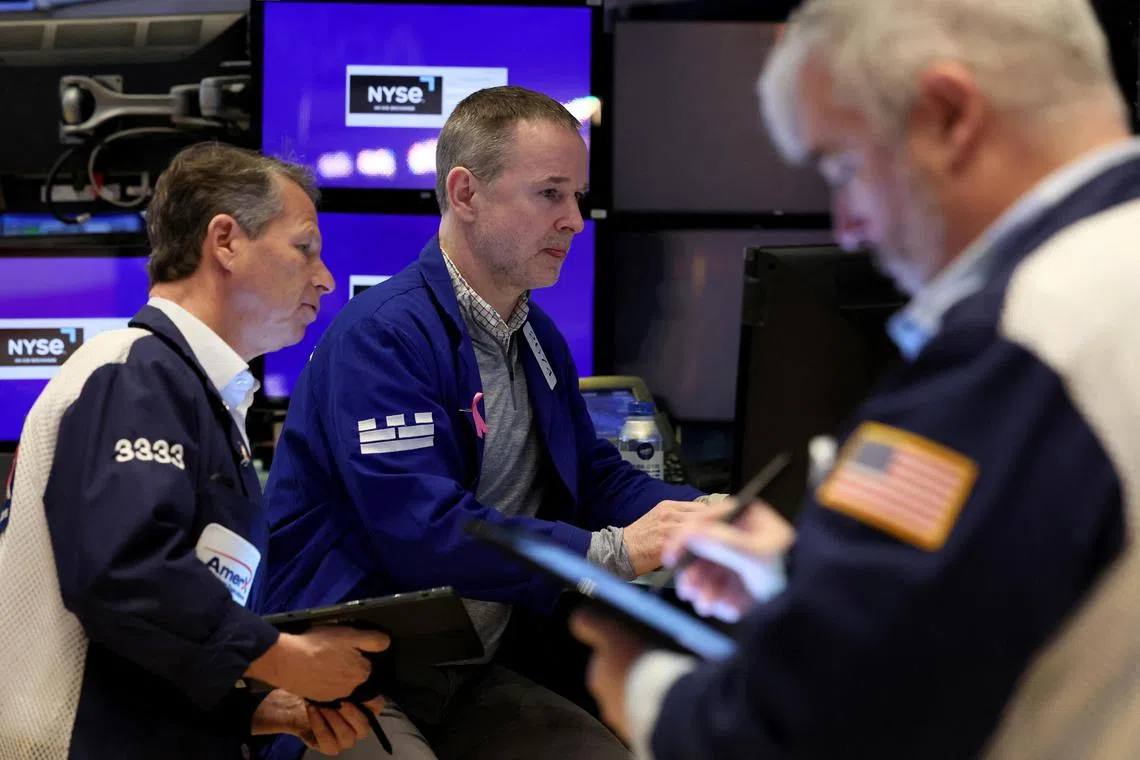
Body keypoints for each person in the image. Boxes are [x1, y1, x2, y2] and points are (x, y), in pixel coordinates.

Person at [570, 0, 1140, 757]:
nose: (846, 226)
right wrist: (807, 577)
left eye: (842, 167)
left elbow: (814, 723)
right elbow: (1020, 588)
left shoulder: (1025, 341)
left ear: (945, 115)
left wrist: (645, 691)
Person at [260, 85, 727, 760]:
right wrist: (615, 552)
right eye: (550, 194)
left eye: (578, 197)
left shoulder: (534, 334)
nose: (574, 220)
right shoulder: (383, 339)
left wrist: (704, 514)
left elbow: (589, 476)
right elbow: (424, 535)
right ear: (466, 194)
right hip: (352, 675)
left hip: (471, 669)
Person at [0, 142, 391, 760]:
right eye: (305, 248)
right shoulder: (132, 372)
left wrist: (260, 708)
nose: (326, 277)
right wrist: (283, 658)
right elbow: (127, 573)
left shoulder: (193, 393)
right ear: (225, 241)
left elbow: (146, 647)